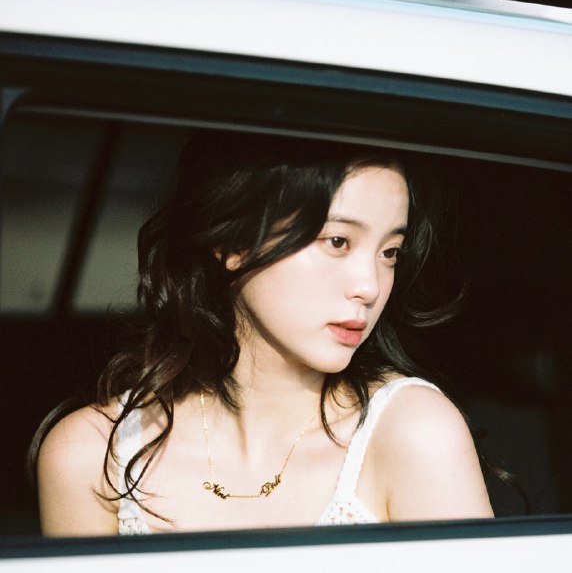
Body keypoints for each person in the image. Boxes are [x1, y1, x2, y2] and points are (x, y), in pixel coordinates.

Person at [35, 130, 493, 536]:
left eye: (390, 252)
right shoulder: (90, 455)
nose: (370, 287)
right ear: (233, 241)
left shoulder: (413, 433)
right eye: (337, 241)